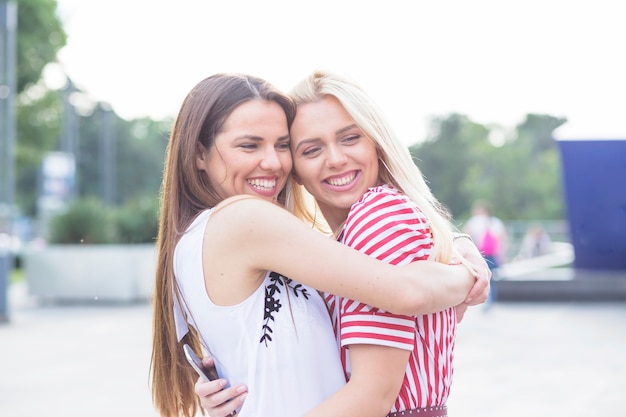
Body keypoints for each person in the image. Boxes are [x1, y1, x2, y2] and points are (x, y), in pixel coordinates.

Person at [151, 73, 488, 417]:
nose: (273, 162)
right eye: (249, 145)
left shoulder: (193, 241)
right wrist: (468, 275)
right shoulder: (245, 219)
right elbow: (407, 294)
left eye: (282, 145)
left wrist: (455, 242)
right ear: (198, 154)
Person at [463, 200, 507, 307]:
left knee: (479, 276)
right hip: (492, 254)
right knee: (490, 277)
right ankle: (491, 299)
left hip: (479, 253)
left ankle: (484, 299)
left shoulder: (475, 221)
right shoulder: (496, 222)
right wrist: (502, 255)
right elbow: (502, 239)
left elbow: (465, 234)